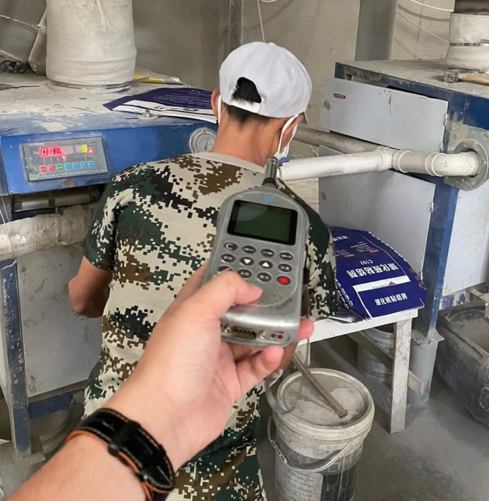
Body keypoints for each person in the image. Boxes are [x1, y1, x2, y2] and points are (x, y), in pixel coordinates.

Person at [69, 41, 339, 500]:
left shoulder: (131, 186)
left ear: (216, 104)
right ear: (291, 128)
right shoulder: (303, 225)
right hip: (217, 457)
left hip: (111, 434)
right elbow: (279, 348)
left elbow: (82, 300)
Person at [10, 269, 314, 501]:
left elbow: (81, 300)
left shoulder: (121, 200)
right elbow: (282, 352)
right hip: (225, 467)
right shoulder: (308, 229)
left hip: (110, 423)